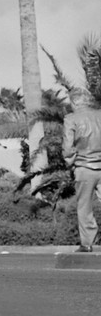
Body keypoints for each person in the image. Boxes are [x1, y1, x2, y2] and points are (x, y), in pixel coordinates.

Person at [62, 86, 101, 252]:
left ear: (74, 102)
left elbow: (67, 148)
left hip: (85, 167)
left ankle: (87, 243)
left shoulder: (71, 119)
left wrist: (69, 162)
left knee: (84, 206)